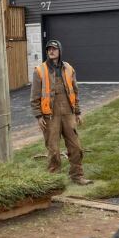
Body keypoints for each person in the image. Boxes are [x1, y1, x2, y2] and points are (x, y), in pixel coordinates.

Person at [30, 40, 92, 185]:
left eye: (54, 49)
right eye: (49, 49)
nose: (51, 51)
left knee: (76, 146)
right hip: (49, 115)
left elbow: (75, 92)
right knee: (53, 148)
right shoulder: (39, 70)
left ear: (60, 51)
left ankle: (77, 175)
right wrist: (38, 116)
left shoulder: (69, 68)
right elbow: (34, 96)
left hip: (68, 112)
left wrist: (77, 112)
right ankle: (54, 179)